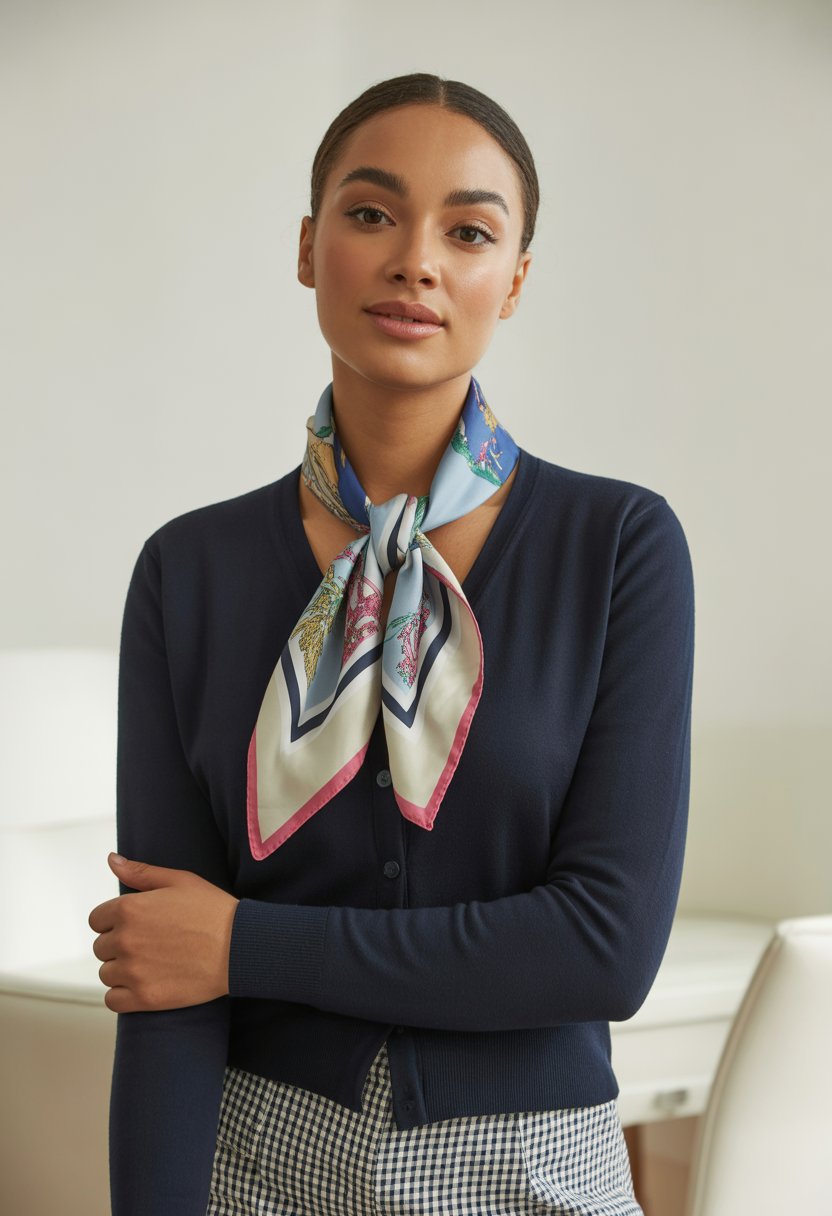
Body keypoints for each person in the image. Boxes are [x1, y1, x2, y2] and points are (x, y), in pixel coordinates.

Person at [88, 72, 694, 1216]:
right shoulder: (191, 570)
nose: (416, 258)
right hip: (251, 1160)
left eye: (467, 231)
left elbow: (603, 948)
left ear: (509, 282)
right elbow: (167, 961)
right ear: (310, 247)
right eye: (371, 214)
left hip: (529, 1168)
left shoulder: (617, 547)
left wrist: (245, 946)